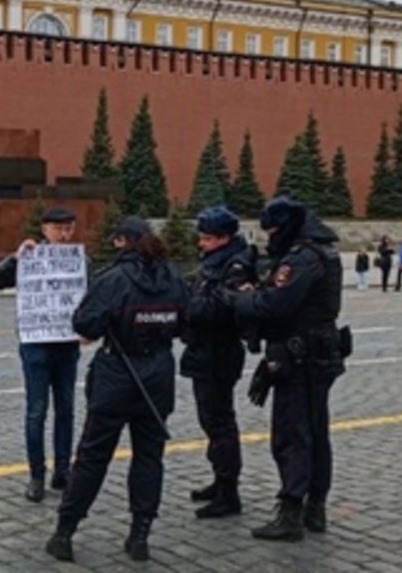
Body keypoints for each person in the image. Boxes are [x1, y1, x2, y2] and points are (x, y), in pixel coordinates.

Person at [45, 217, 188, 563]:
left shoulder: (113, 279)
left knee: (93, 456)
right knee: (149, 456)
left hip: (118, 374)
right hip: (157, 374)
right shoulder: (173, 279)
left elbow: (85, 323)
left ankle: (65, 532)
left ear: (124, 242)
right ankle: (140, 535)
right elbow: (188, 320)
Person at [225, 196, 347, 543]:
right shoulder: (323, 251)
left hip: (300, 357)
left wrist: (237, 297)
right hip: (317, 353)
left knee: (292, 434)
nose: (269, 238)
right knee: (316, 432)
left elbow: (274, 304)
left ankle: (292, 509)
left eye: (273, 230)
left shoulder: (303, 257)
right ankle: (315, 507)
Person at [0, 207, 82, 501]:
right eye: (59, 229)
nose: (64, 235)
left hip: (67, 346)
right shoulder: (30, 257)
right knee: (36, 412)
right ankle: (36, 475)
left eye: (69, 229)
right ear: (44, 230)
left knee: (65, 410)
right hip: (36, 346)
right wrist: (15, 258)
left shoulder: (78, 260)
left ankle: (63, 471)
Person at [181, 207, 258, 519]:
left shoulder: (236, 266)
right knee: (210, 420)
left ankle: (229, 492)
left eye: (208, 238)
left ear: (225, 238)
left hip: (219, 351)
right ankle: (220, 480)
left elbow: (218, 308)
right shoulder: (216, 262)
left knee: (219, 421)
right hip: (205, 350)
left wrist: (188, 305)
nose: (201, 243)